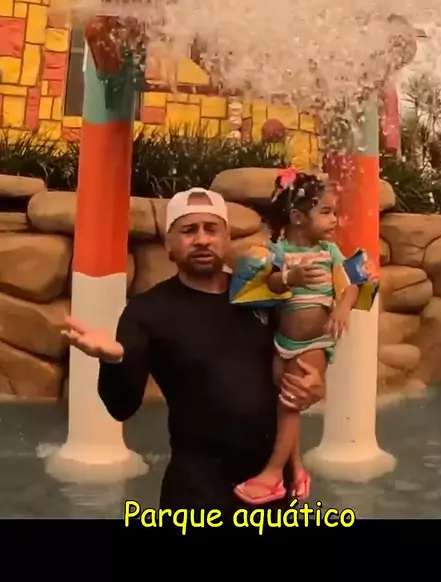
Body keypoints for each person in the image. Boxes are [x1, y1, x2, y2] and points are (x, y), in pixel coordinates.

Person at [62, 187, 325, 517]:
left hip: (271, 486)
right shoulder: (149, 311)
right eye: (189, 230)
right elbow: (121, 407)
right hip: (198, 490)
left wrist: (314, 385)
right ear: (169, 245)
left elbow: (298, 358)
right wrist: (114, 360)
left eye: (211, 229)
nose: (202, 240)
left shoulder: (263, 296)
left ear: (226, 239)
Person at [234, 170, 359, 506]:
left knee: (289, 405)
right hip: (283, 342)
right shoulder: (279, 251)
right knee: (283, 403)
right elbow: (272, 283)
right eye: (326, 212)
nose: (334, 219)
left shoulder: (330, 252)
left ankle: (273, 474)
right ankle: (296, 468)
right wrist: (291, 277)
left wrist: (342, 308)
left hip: (314, 343)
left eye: (334, 212)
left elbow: (353, 284)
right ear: (297, 218)